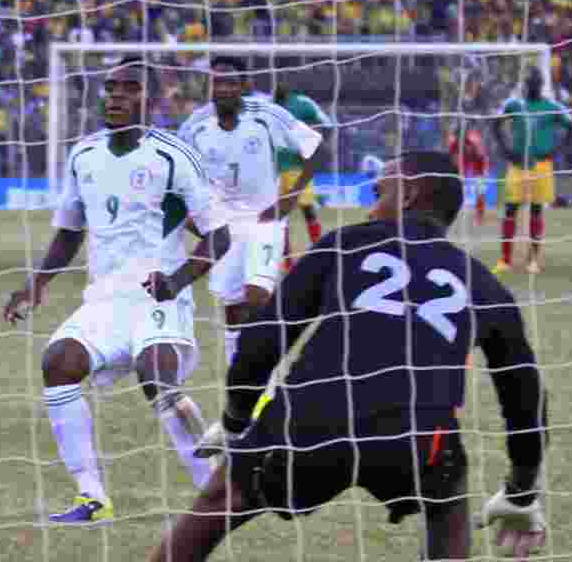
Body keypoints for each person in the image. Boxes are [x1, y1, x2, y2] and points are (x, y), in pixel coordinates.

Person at [157, 151, 548, 561]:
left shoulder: (345, 244)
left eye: (379, 192)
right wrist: (521, 490)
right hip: (417, 433)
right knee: (448, 495)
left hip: (315, 413)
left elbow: (263, 337)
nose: (370, 206)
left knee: (223, 496)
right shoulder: (482, 282)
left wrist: (237, 421)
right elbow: (525, 392)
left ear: (409, 194)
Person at [2, 57, 231, 524]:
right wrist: (38, 281)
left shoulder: (175, 155)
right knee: (58, 362)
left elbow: (219, 233)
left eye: (128, 89)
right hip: (104, 299)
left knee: (157, 378)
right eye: (110, 89)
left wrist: (177, 280)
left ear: (152, 100)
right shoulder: (83, 154)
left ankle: (214, 491)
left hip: (158, 297)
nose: (115, 97)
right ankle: (92, 497)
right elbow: (70, 230)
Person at [178, 55, 325, 372]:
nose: (224, 88)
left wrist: (290, 198)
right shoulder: (194, 127)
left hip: (264, 220)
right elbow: (175, 176)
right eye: (217, 81)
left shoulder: (268, 115)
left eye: (231, 81)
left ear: (243, 86)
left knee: (257, 295)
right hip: (223, 228)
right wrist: (196, 221)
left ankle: (267, 371)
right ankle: (240, 378)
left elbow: (316, 146)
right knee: (233, 309)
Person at [492, 67, 572, 274]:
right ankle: (504, 260)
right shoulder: (513, 104)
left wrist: (556, 151)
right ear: (524, 85)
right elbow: (495, 124)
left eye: (535, 83)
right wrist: (505, 149)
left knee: (536, 210)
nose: (531, 86)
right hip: (518, 165)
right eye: (528, 83)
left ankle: (533, 261)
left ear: (540, 85)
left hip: (541, 166)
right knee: (510, 209)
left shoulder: (552, 106)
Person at [274, 81, 333, 270]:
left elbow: (327, 124)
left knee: (307, 210)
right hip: (273, 168)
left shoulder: (302, 102)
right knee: (280, 217)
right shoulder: (270, 104)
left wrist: (311, 143)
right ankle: (288, 262)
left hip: (296, 167)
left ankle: (319, 254)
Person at [448, 126, 490, 226]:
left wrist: (473, 148)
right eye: (456, 137)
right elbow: (451, 156)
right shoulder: (453, 141)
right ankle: (451, 213)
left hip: (479, 163)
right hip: (464, 161)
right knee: (455, 187)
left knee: (480, 191)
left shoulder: (474, 140)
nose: (457, 138)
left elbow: (480, 154)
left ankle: (479, 217)